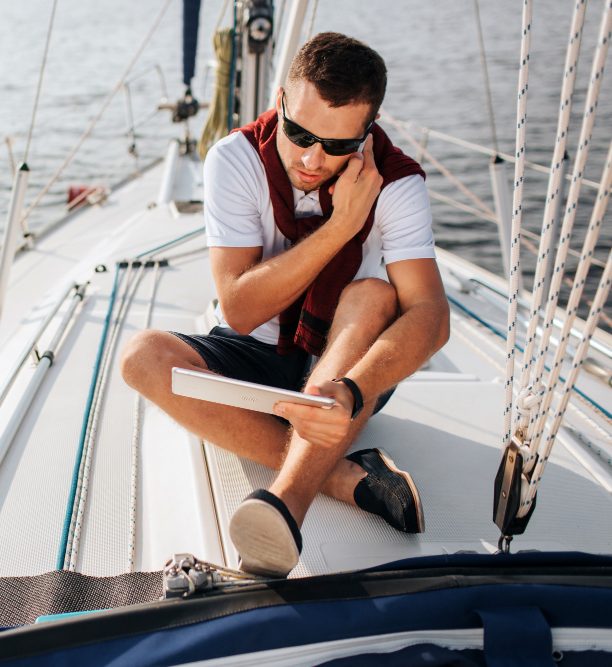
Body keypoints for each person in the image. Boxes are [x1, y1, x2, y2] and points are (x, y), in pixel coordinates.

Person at [120, 32, 449, 578]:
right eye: (298, 133)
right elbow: (241, 309)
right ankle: (344, 477)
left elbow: (431, 315)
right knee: (141, 357)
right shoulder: (235, 159)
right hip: (256, 351)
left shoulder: (396, 183)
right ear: (279, 100)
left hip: (345, 371)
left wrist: (349, 389)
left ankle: (286, 503)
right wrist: (342, 225)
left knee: (375, 295)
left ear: (366, 135)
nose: (312, 158)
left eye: (337, 145)